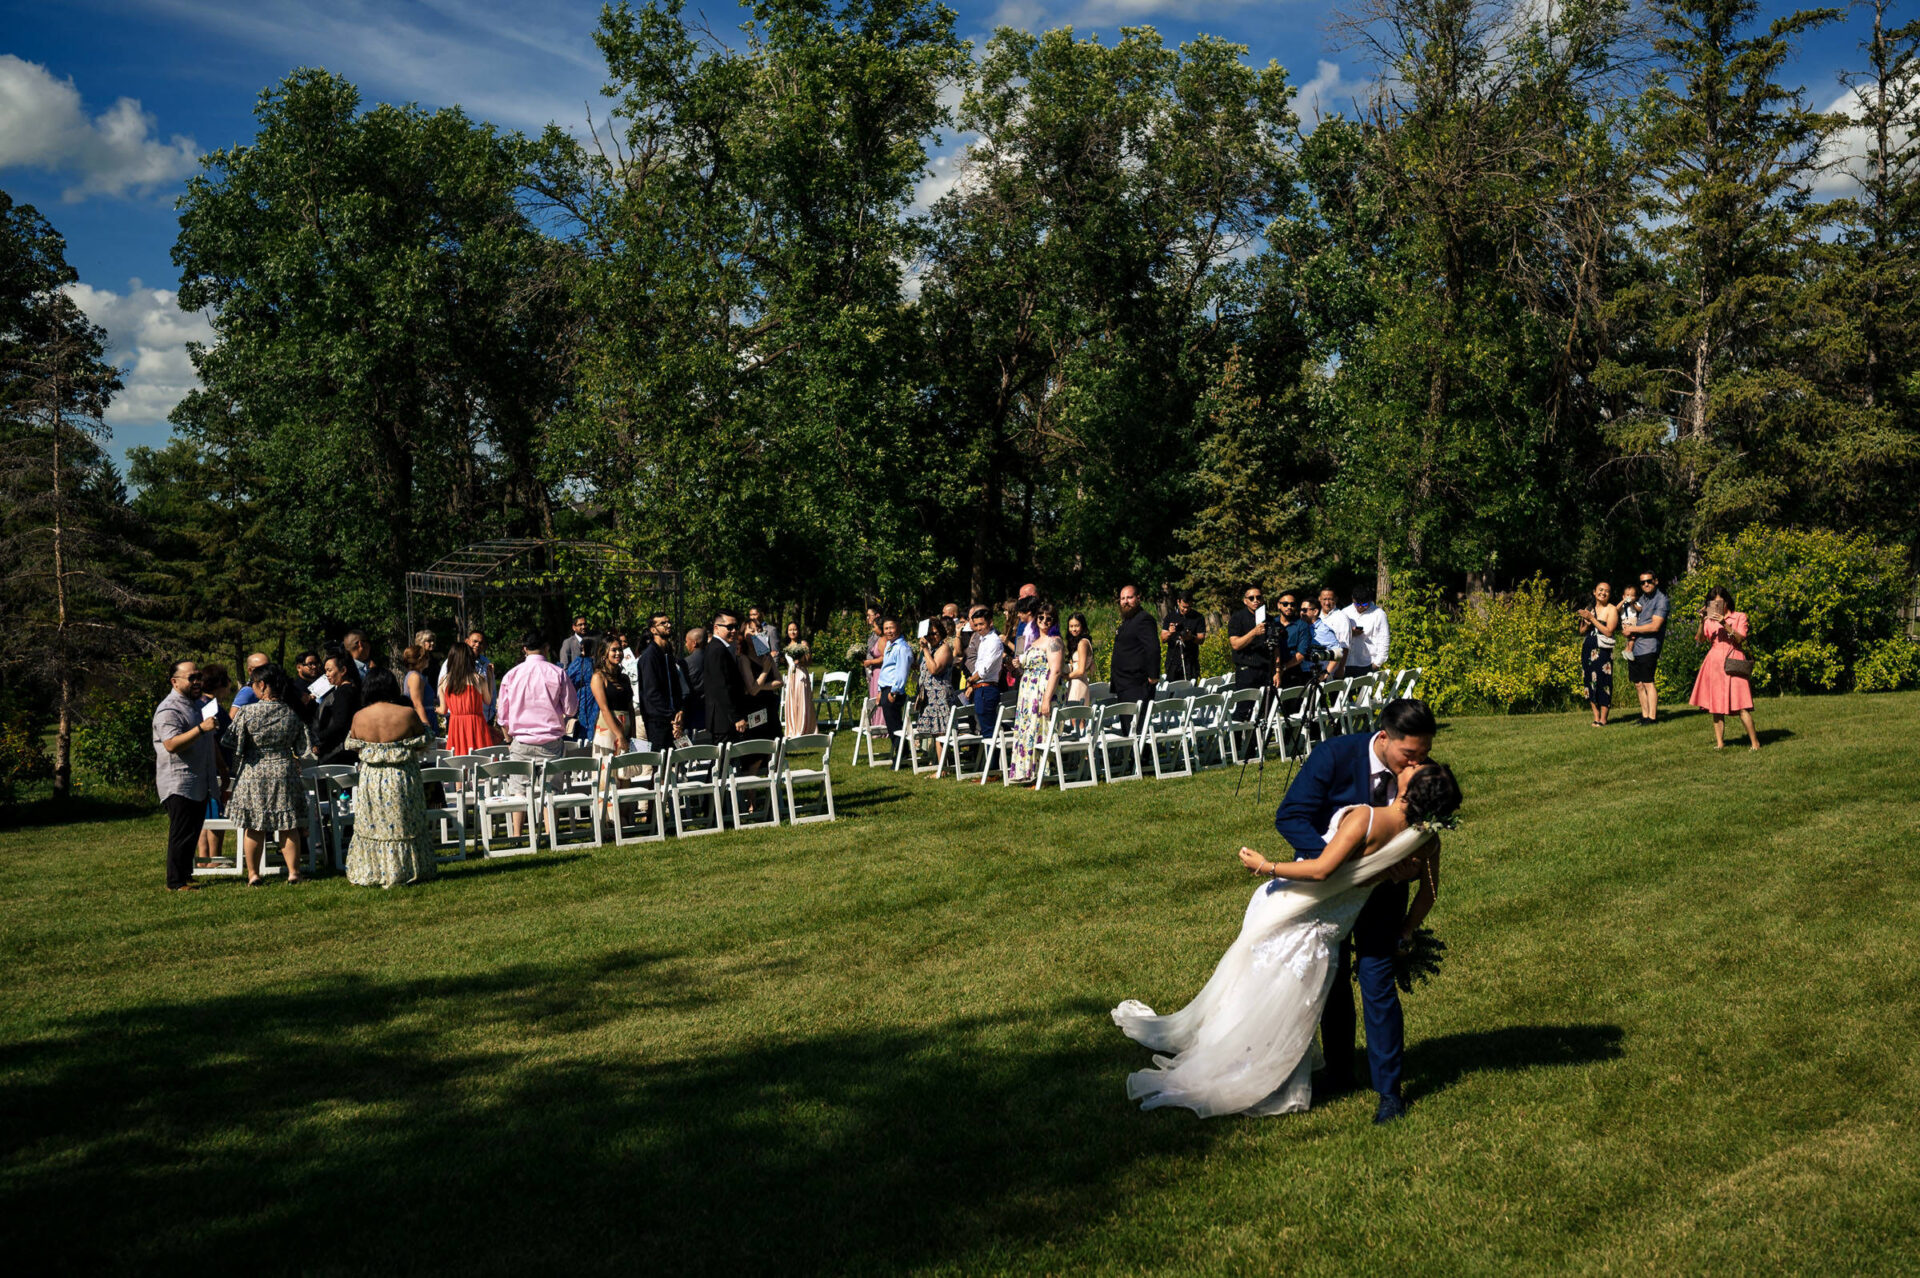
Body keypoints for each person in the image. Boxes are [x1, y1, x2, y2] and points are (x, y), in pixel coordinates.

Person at [1112, 757, 1460, 1119]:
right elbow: (1429, 893)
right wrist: (1404, 931)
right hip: (1329, 930)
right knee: (1290, 1006)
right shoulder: (1424, 841)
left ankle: (1237, 1066)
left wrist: (1265, 866)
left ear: (1408, 788)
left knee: (1257, 995)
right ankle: (1269, 1067)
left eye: (1416, 768)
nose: (1412, 762)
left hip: (1293, 908)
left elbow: (1323, 869)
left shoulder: (1368, 819)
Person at [1270, 698, 1441, 1122]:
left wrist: (1413, 864)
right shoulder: (1333, 756)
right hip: (1330, 892)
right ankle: (1339, 1072)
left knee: (1377, 981)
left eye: (1423, 756)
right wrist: (1339, 863)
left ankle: (1390, 1092)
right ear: (1384, 738)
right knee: (1330, 979)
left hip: (1384, 895)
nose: (1415, 765)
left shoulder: (1417, 771)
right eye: (1409, 755)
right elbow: (1290, 816)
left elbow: (1427, 831)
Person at [344, 669, 436, 888]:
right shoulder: (406, 713)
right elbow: (425, 739)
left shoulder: (360, 716)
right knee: (404, 823)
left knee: (374, 826)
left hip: (372, 778)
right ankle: (406, 870)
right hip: (402, 776)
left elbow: (353, 745)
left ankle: (375, 871)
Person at [222, 664, 312, 886]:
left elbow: (229, 741)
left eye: (253, 684)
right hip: (284, 770)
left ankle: (253, 874)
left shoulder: (247, 712)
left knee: (254, 824)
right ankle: (293, 872)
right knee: (288, 823)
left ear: (262, 685)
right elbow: (303, 747)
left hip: (254, 771)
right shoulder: (292, 712)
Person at [495, 631, 578, 840]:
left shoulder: (511, 675)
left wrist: (508, 739)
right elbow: (571, 708)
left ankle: (516, 836)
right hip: (550, 741)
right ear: (547, 648)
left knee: (518, 791)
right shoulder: (557, 673)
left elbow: (502, 715)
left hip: (521, 740)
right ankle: (551, 835)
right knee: (551, 792)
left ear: (524, 649)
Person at [152, 660, 220, 892]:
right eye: (191, 678)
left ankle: (185, 874)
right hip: (178, 781)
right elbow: (171, 744)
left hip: (198, 779)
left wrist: (222, 768)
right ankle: (175, 882)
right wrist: (201, 728)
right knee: (181, 833)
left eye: (198, 676)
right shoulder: (169, 709)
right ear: (175, 681)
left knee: (192, 831)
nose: (197, 681)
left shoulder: (196, 705)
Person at [1689, 586, 1760, 750]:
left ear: (1727, 602)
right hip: (1714, 663)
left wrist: (1724, 623)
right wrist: (1701, 620)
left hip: (1734, 661)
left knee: (1742, 704)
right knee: (1716, 705)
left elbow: (1740, 639)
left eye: (1720, 602)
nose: (1717, 606)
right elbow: (1700, 640)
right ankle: (1720, 743)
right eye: (1713, 603)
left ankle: (1755, 743)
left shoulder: (1739, 617)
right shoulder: (1708, 621)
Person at [1006, 602, 1065, 784]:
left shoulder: (1054, 641)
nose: (1044, 621)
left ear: (1054, 621)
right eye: (1041, 617)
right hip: (1028, 694)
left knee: (1041, 731)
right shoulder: (1034, 641)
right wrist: (1019, 664)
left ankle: (1043, 775)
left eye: (1049, 618)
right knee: (1028, 730)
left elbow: (1055, 671)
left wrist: (1046, 699)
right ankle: (1027, 773)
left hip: (1042, 693)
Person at [194, 664, 235, 867]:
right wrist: (223, 767)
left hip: (204, 766)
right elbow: (214, 739)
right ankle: (215, 857)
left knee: (205, 814)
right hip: (216, 766)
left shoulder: (198, 704)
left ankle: (204, 857)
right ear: (220, 683)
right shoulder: (212, 708)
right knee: (215, 812)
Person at [1619, 570, 1670, 726]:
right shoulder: (1642, 599)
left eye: (1648, 581)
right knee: (1638, 683)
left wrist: (1632, 630)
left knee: (1648, 682)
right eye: (1642, 582)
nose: (1646, 584)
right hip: (1635, 647)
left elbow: (1655, 626)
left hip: (1649, 646)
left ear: (1656, 581)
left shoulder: (1661, 600)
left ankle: (1652, 718)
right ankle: (1644, 715)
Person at [1109, 584, 1160, 729]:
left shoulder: (1144, 619)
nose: (1125, 601)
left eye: (1129, 597)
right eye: (1122, 598)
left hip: (1137, 684)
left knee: (1137, 729)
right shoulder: (1128, 621)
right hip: (1124, 685)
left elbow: (1153, 648)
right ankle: (1134, 752)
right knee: (1128, 729)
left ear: (1138, 598)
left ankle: (1142, 753)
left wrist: (1153, 675)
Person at [637, 613, 686, 750]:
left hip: (674, 719)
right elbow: (652, 693)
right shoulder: (649, 656)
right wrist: (672, 717)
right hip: (658, 722)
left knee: (676, 763)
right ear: (653, 630)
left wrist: (680, 711)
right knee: (660, 765)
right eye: (663, 623)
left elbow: (676, 686)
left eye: (669, 622)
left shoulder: (668, 653)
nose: (668, 625)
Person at [1575, 582, 1620, 727]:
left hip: (1603, 651)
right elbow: (1581, 632)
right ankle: (1596, 717)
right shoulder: (1590, 608)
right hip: (1588, 649)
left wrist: (1593, 619)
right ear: (1594, 592)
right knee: (1589, 682)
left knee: (1603, 681)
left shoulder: (1611, 609)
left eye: (1607, 591)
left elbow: (1609, 631)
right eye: (1600, 590)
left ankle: (1604, 719)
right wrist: (1587, 623)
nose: (1603, 593)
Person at [1228, 584, 1276, 716]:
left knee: (1264, 710)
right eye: (1251, 598)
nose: (1255, 600)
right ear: (1245, 601)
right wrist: (1253, 633)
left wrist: (1277, 670)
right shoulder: (1237, 618)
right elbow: (1235, 644)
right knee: (1244, 710)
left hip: (1266, 669)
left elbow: (1275, 646)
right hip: (1247, 670)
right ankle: (1237, 737)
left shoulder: (1269, 619)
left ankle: (1258, 737)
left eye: (1258, 597)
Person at [703, 612, 751, 744]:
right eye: (729, 627)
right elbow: (721, 687)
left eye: (735, 627)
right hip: (723, 719)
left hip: (725, 719)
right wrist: (736, 717)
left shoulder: (721, 648)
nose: (734, 631)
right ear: (716, 628)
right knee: (723, 761)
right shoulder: (717, 650)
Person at [438, 641, 490, 756]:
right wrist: (490, 677)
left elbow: (443, 710)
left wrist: (431, 708)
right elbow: (488, 701)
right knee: (481, 761)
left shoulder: (444, 680)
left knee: (458, 760)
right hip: (476, 725)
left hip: (456, 726)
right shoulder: (479, 679)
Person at [912, 616, 957, 739]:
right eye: (928, 634)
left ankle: (944, 759)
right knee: (935, 734)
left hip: (940, 698)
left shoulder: (944, 648)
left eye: (934, 633)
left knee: (941, 734)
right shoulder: (931, 650)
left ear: (941, 632)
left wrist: (925, 649)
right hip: (929, 698)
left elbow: (934, 669)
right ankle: (938, 759)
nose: (932, 636)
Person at [313, 654, 362, 765]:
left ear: (343, 670)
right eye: (325, 671)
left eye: (329, 670)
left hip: (337, 752)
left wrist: (319, 739)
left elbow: (339, 723)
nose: (327, 674)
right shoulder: (355, 689)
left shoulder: (342, 693)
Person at [966, 607, 1006, 738]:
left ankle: (993, 759)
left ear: (990, 623)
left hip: (986, 689)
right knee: (985, 730)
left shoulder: (993, 641)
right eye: (976, 625)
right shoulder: (983, 640)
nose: (978, 628)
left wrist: (971, 680)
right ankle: (990, 758)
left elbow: (984, 670)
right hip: (981, 688)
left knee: (989, 732)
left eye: (981, 624)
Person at [590, 638, 634, 758]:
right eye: (614, 650)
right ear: (604, 653)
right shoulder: (598, 677)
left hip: (627, 727)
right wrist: (619, 735)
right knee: (606, 772)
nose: (618, 653)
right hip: (608, 728)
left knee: (625, 774)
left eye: (620, 649)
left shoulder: (625, 678)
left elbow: (630, 707)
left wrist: (632, 733)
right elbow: (604, 709)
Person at [875, 617, 913, 742]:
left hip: (893, 690)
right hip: (886, 689)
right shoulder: (889, 645)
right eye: (886, 628)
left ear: (899, 628)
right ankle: (901, 752)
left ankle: (901, 755)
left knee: (895, 725)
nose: (888, 631)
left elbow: (902, 672)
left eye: (891, 628)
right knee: (891, 725)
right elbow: (886, 669)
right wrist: (880, 690)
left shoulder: (902, 647)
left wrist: (894, 691)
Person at [1340, 584, 1390, 678]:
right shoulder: (1345, 612)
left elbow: (1384, 640)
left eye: (1364, 604)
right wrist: (1350, 633)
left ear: (1370, 600)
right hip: (1346, 663)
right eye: (1357, 604)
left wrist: (1376, 664)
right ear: (1352, 599)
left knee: (1364, 693)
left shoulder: (1379, 614)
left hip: (1367, 664)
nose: (1360, 607)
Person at [783, 621, 818, 737]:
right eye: (790, 630)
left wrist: (801, 660)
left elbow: (809, 661)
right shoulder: (787, 646)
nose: (792, 632)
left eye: (795, 629)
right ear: (787, 632)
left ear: (798, 631)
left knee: (802, 700)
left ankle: (804, 728)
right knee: (792, 701)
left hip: (801, 674)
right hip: (791, 675)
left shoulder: (803, 643)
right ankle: (793, 728)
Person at [1162, 594, 1206, 684]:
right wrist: (1170, 632)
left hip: (1191, 661)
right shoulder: (1170, 617)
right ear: (1178, 602)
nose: (1186, 610)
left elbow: (1201, 639)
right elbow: (1163, 639)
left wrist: (1191, 637)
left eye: (1189, 607)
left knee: (1190, 690)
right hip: (1173, 661)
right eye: (1184, 607)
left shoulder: (1198, 617)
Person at [1275, 591, 1313, 688]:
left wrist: (1283, 668)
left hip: (1293, 673)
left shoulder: (1302, 625)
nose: (1289, 607)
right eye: (1285, 604)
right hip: (1272, 671)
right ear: (1279, 605)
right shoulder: (1272, 623)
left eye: (1292, 604)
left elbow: (1301, 654)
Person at [400, 644, 439, 738]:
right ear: (419, 660)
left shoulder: (419, 676)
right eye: (426, 657)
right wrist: (426, 727)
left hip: (429, 714)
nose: (428, 659)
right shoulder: (415, 677)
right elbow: (417, 704)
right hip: (424, 718)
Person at [565, 636, 598, 742]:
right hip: (594, 699)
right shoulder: (598, 664)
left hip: (584, 699)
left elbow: (567, 679)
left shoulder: (580, 663)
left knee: (583, 731)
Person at [1301, 598, 1341, 681]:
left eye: (1305, 610)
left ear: (1315, 612)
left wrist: (1326, 674)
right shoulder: (1301, 628)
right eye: (1301, 610)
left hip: (1317, 675)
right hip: (1302, 674)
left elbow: (1338, 653)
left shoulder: (1324, 630)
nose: (1301, 613)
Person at [465, 630, 497, 729]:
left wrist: (492, 711)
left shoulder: (485, 662)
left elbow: (492, 690)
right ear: (467, 642)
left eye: (481, 643)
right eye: (475, 641)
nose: (477, 645)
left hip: (485, 717)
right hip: (463, 718)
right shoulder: (454, 662)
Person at [1317, 588, 1351, 677]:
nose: (1327, 603)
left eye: (1330, 599)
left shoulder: (1341, 618)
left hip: (1333, 670)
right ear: (1319, 599)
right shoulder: (1316, 616)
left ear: (1336, 599)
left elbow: (1345, 647)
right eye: (1324, 599)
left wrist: (1340, 668)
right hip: (1317, 668)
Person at [1065, 613, 1095, 704]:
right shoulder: (1084, 642)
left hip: (1077, 685)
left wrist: (1064, 677)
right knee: (1079, 716)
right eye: (1071, 626)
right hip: (1080, 682)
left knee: (1074, 715)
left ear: (1082, 626)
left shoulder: (1082, 643)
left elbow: (1081, 671)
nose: (1073, 629)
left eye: (1077, 626)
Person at [683, 625, 708, 732]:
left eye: (686, 641)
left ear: (694, 643)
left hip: (693, 711)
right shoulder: (715, 657)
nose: (685, 644)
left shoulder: (685, 663)